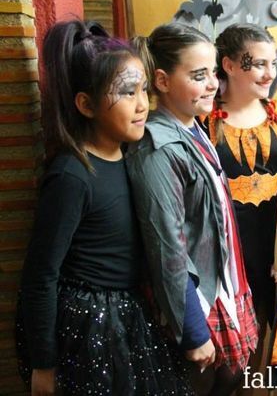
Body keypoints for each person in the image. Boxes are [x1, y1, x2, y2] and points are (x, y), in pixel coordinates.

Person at [16, 20, 192, 395]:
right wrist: (43, 364)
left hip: (129, 314)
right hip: (91, 325)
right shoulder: (72, 176)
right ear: (86, 104)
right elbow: (40, 276)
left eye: (143, 89)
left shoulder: (134, 155)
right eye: (127, 92)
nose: (142, 104)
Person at [127, 23, 258, 395]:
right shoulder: (157, 148)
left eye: (213, 72)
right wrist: (193, 330)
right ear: (163, 81)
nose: (213, 84)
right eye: (199, 76)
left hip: (221, 282)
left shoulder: (193, 128)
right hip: (194, 299)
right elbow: (167, 245)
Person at [210, 23, 277, 377]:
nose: (270, 74)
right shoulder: (205, 120)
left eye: (272, 63)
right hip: (225, 252)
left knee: (266, 344)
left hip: (273, 247)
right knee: (228, 357)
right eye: (259, 64)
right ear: (229, 65)